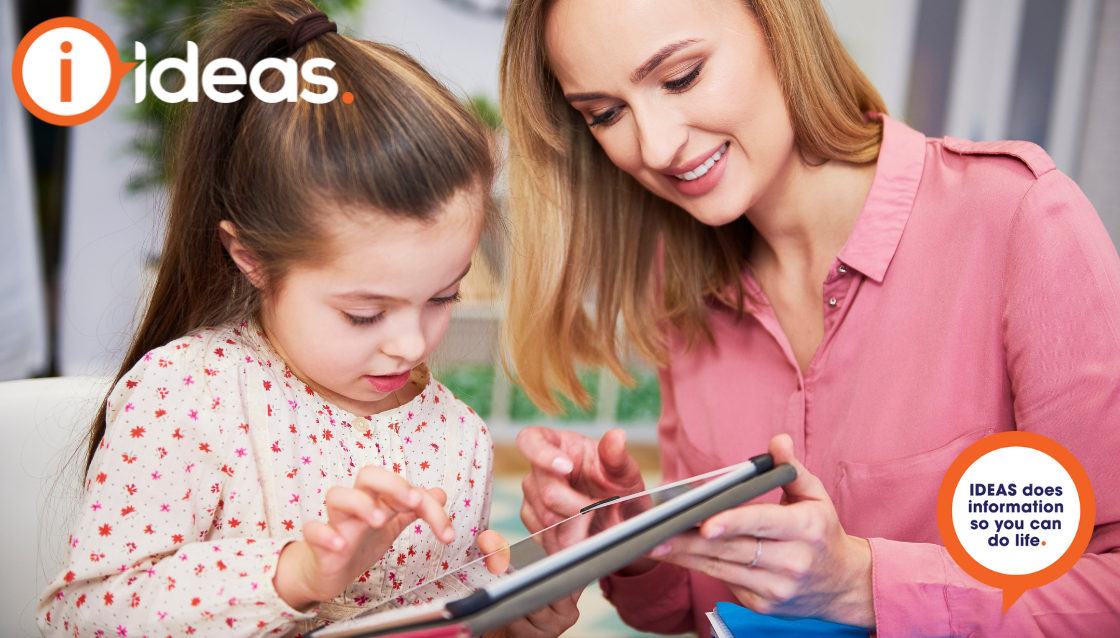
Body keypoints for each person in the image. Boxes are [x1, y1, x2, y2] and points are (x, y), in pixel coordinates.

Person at [499, 0, 1120, 635]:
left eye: (682, 76)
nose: (655, 147)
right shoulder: (679, 284)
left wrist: (863, 585)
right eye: (605, 114)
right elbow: (693, 606)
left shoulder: (1016, 219)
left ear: (778, 25)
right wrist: (631, 538)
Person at [37, 2, 575, 636]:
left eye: (443, 297)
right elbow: (83, 617)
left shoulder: (454, 436)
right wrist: (294, 577)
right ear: (252, 259)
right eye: (364, 314)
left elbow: (444, 613)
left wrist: (513, 624)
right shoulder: (188, 398)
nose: (410, 345)